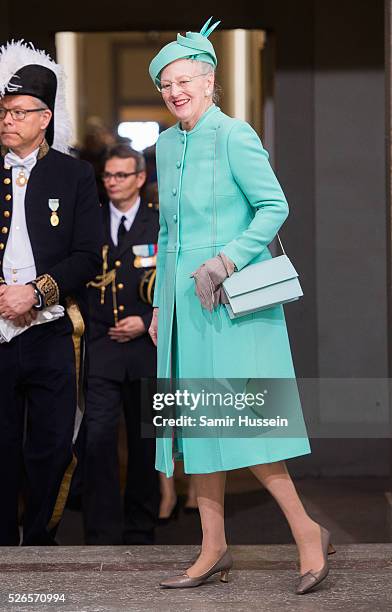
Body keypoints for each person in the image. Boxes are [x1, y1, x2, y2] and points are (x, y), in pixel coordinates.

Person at [148, 18, 335, 594]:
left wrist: (226, 261)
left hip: (231, 299)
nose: (176, 91)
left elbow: (273, 206)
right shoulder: (164, 143)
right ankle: (213, 547)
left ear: (209, 82)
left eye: (185, 80)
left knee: (250, 423)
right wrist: (160, 304)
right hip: (183, 305)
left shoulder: (235, 134)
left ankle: (307, 531)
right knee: (199, 426)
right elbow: (167, 228)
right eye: (166, 84)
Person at [0, 41, 102, 545]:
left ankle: (38, 541)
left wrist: (36, 294)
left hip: (50, 329)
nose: (8, 120)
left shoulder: (75, 174)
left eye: (19, 112)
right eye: (4, 111)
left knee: (50, 446)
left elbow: (88, 252)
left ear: (44, 118)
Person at [83, 144, 160, 544]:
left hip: (146, 349)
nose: (112, 183)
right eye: (107, 176)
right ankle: (101, 529)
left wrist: (146, 320)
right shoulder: (90, 222)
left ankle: (139, 528)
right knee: (97, 439)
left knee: (145, 443)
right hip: (101, 349)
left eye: (121, 175)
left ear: (140, 178)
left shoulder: (159, 225)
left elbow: (174, 285)